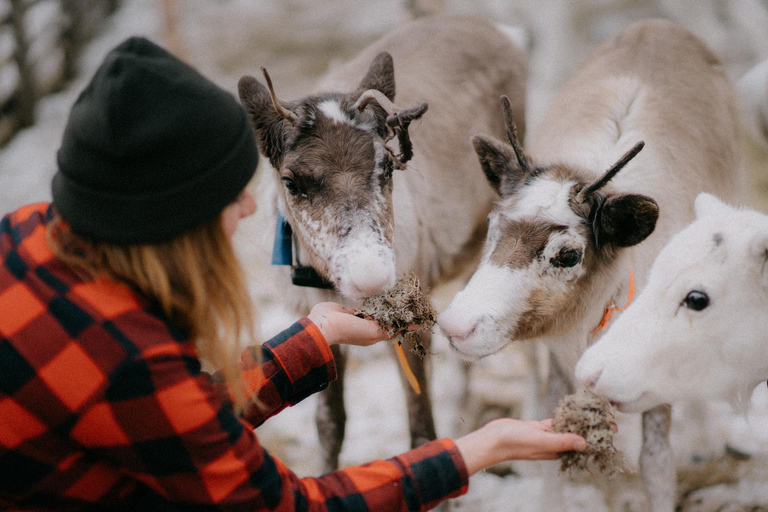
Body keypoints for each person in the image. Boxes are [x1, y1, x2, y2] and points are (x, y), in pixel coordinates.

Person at [0, 37, 586, 511]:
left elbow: (177, 418)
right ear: (171, 216)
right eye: (228, 195)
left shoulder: (22, 233)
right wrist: (470, 454)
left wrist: (313, 341)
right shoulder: (128, 360)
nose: (253, 208)